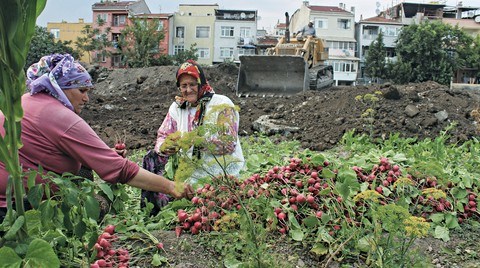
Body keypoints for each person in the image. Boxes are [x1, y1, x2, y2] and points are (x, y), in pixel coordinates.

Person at [0, 54, 195, 222]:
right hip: (12, 204)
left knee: (83, 168)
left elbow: (41, 147)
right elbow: (119, 169)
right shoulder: (61, 117)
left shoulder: (26, 100)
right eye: (81, 91)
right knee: (97, 206)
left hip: (12, 192)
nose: (86, 98)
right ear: (60, 88)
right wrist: (170, 186)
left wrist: (103, 154)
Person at [141, 59, 244, 214]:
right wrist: (165, 146)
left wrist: (198, 142)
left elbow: (228, 143)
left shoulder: (222, 104)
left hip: (220, 173)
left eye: (192, 84)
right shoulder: (177, 107)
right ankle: (154, 210)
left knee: (214, 209)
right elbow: (163, 135)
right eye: (183, 86)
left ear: (201, 83)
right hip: (190, 175)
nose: (188, 90)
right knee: (151, 158)